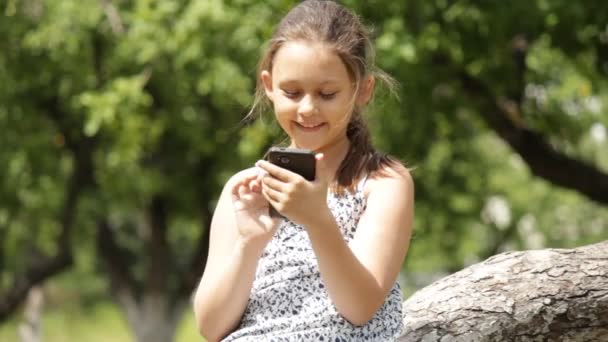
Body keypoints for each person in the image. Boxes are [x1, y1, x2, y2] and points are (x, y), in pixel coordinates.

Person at [193, 1, 414, 341]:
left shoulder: (383, 183)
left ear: (362, 90)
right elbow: (210, 327)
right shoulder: (244, 190)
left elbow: (360, 306)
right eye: (292, 92)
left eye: (327, 94)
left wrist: (317, 219)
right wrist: (250, 243)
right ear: (268, 84)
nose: (308, 108)